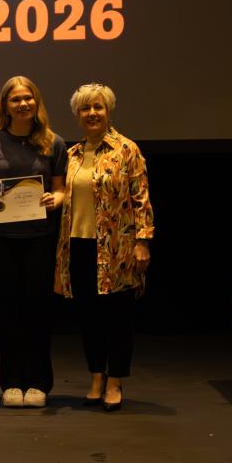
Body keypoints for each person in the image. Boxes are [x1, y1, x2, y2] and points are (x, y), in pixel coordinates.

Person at [55, 83, 154, 412]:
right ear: (77, 115)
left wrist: (143, 241)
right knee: (89, 318)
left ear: (108, 111)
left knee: (118, 318)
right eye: (85, 109)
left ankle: (115, 381)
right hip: (78, 247)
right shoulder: (72, 154)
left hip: (118, 248)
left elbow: (141, 200)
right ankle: (96, 376)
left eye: (98, 107)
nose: (92, 114)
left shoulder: (127, 149)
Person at [0, 76, 67, 408]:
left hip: (40, 237)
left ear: (36, 101)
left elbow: (60, 189)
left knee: (37, 310)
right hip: (1, 238)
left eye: (28, 98)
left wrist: (55, 199)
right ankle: (11, 381)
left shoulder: (53, 142)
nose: (23, 104)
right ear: (5, 106)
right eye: (15, 100)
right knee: (8, 309)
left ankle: (39, 382)